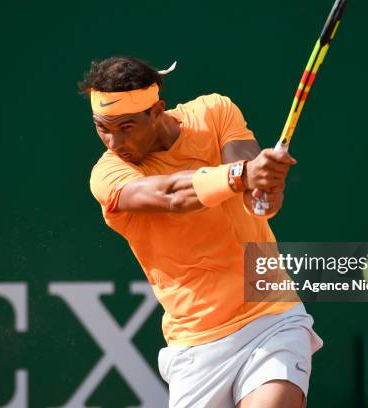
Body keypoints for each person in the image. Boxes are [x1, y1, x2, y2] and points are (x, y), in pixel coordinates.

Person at [80, 56, 323, 408]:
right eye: (102, 127)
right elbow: (171, 195)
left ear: (157, 111)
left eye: (127, 127)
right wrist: (242, 175)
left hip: (270, 316)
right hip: (196, 346)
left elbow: (256, 194)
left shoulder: (215, 111)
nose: (113, 142)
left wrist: (265, 190)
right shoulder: (107, 175)